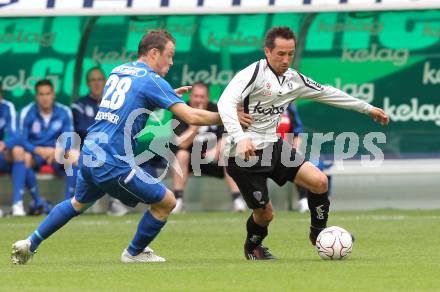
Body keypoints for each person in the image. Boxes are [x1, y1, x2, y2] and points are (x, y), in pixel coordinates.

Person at [11, 30, 251, 265]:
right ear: (154, 52)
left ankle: (29, 243)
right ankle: (134, 252)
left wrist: (161, 98)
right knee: (167, 202)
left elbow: (127, 104)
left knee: (77, 203)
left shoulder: (118, 71)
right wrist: (228, 116)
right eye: (170, 55)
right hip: (112, 160)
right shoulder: (151, 80)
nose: (171, 61)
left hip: (90, 153)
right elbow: (190, 115)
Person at [217, 26, 389, 260]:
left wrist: (367, 108)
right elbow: (225, 103)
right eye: (280, 54)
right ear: (267, 51)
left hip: (274, 145)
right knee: (265, 214)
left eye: (290, 53)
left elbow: (327, 92)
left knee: (319, 181)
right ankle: (252, 248)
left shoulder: (293, 79)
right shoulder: (252, 74)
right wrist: (240, 137)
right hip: (243, 155)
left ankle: (318, 234)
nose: (286, 59)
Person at [171, 82, 246, 213]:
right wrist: (195, 124)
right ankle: (178, 201)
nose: (198, 100)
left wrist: (217, 149)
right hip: (190, 160)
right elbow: (182, 143)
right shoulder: (181, 111)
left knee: (228, 153)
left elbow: (228, 136)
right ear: (191, 97)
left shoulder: (217, 110)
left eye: (202, 96)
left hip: (213, 158)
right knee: (181, 155)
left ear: (207, 97)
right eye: (195, 96)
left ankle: (238, 200)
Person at [72, 67, 128, 216]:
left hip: (111, 148)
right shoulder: (79, 105)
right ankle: (78, 200)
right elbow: (82, 129)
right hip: (87, 149)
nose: (96, 83)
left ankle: (115, 201)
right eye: (92, 80)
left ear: (105, 82)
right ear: (87, 83)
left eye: (99, 80)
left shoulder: (115, 103)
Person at [19, 80, 77, 215]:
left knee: (72, 155)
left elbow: (70, 137)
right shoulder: (27, 112)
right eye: (41, 94)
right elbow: (21, 139)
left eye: (47, 93)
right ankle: (38, 202)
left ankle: (68, 204)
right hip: (35, 153)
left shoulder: (64, 111)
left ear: (53, 95)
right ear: (36, 96)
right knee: (24, 157)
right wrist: (37, 150)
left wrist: (58, 150)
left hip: (56, 153)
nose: (45, 97)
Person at [0, 83, 27, 216]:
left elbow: (16, 136)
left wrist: (4, 144)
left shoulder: (7, 107)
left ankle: (17, 203)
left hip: (2, 154)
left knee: (18, 151)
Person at [276, 103, 309, 213]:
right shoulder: (257, 103)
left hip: (285, 148)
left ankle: (303, 201)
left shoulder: (289, 107)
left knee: (298, 163)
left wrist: (295, 150)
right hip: (262, 148)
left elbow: (297, 131)